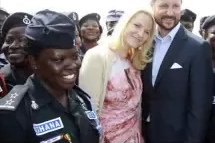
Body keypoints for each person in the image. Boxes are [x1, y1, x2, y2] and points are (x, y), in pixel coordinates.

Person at [0, 10, 101, 143]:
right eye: (58, 60)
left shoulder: (83, 99)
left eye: (75, 56)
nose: (72, 65)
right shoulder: (14, 114)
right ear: (34, 61)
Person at [141, 0, 213, 143]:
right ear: (152, 6)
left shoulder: (197, 48)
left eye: (176, 6)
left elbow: (199, 108)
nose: (170, 12)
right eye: (164, 6)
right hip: (142, 134)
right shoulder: (144, 43)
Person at [79, 9, 156, 143]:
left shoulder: (135, 60)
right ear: (125, 23)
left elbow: (136, 109)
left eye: (147, 32)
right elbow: (88, 114)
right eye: (137, 26)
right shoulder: (97, 57)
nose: (140, 34)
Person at [0, 12, 34, 95]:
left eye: (23, 40)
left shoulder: (54, 77)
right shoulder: (2, 79)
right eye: (8, 41)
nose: (13, 46)